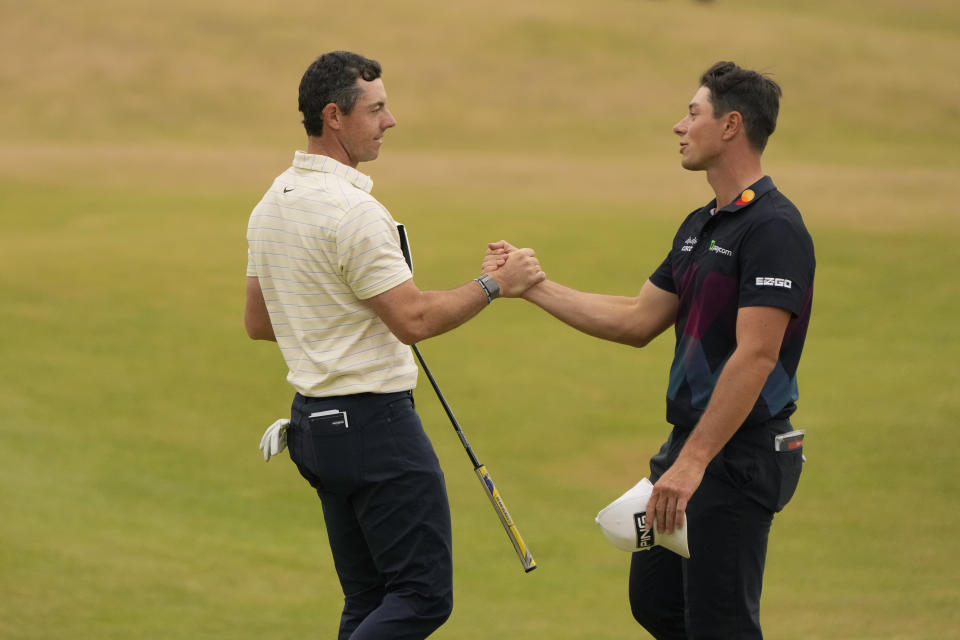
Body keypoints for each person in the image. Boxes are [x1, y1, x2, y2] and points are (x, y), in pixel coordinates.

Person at [485, 61, 815, 639]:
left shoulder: (773, 229)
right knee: (657, 602)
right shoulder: (701, 225)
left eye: (692, 113)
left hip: (737, 456)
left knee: (722, 625)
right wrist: (533, 286)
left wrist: (693, 463)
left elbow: (756, 357)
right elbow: (637, 320)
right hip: (692, 447)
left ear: (732, 125)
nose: (678, 126)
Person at [244, 51, 544, 640]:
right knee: (421, 597)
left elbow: (261, 320)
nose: (391, 121)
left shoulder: (271, 203)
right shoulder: (355, 211)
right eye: (376, 108)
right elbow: (413, 320)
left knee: (368, 600)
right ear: (334, 115)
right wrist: (495, 285)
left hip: (314, 427)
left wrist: (339, 313)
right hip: (374, 430)